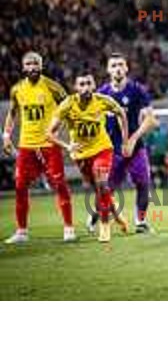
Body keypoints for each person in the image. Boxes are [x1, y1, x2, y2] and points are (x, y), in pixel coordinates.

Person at [48, 71, 131, 243]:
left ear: (94, 85)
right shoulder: (68, 104)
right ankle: (116, 214)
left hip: (102, 149)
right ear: (75, 87)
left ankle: (105, 225)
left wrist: (124, 141)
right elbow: (49, 133)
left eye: (88, 83)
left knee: (101, 183)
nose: (85, 88)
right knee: (100, 190)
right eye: (82, 84)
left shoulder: (103, 100)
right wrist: (67, 146)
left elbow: (121, 114)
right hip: (81, 154)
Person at [2, 52, 75, 244]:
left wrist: (62, 132)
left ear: (41, 66)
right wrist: (6, 136)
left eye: (36, 63)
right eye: (28, 63)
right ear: (23, 67)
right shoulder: (17, 89)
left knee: (59, 185)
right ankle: (22, 232)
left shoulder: (52, 86)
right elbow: (12, 113)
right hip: (26, 146)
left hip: (49, 145)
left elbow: (69, 108)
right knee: (19, 187)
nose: (32, 67)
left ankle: (68, 228)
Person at [96, 53, 158, 233]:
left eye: (121, 65)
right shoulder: (101, 94)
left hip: (135, 147)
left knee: (143, 183)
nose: (117, 68)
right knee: (106, 188)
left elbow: (151, 120)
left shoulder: (137, 90)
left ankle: (141, 221)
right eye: (113, 65)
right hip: (111, 150)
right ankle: (95, 218)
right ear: (108, 69)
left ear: (126, 68)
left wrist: (133, 139)